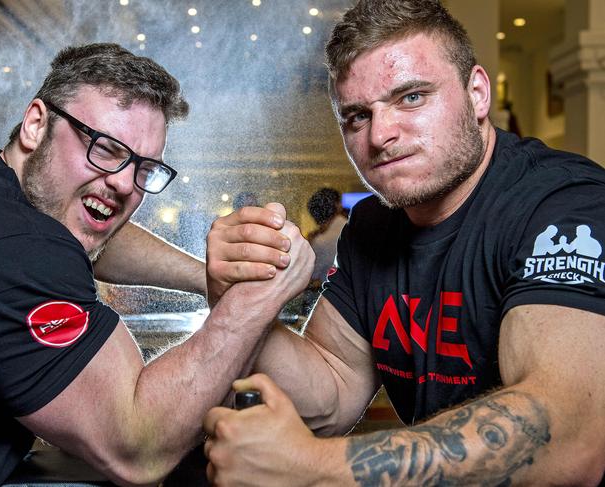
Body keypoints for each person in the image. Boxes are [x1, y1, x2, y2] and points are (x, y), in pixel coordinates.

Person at [201, 0, 605, 485]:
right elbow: (330, 390)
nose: (381, 134)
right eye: (356, 116)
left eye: (411, 97)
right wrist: (235, 292)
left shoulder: (565, 206)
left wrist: (313, 470)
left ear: (477, 94)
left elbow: (571, 436)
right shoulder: (372, 225)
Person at [0, 43, 313, 487]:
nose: (125, 183)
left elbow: (91, 236)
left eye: (145, 168)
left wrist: (206, 276)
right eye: (105, 149)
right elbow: (137, 447)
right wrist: (256, 295)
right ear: (35, 124)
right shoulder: (14, 246)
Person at [306, 187, 348, 282]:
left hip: (333, 294)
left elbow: (310, 275)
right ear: (338, 206)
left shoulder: (321, 241)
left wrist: (309, 245)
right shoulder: (354, 228)